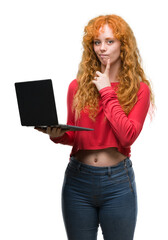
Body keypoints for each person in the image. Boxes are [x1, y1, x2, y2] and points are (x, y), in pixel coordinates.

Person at [35, 14, 155, 240]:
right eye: (97, 42)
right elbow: (75, 136)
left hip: (118, 184)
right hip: (77, 181)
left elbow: (127, 136)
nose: (102, 48)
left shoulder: (140, 90)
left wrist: (106, 90)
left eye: (110, 41)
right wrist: (58, 136)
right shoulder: (77, 86)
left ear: (124, 45)